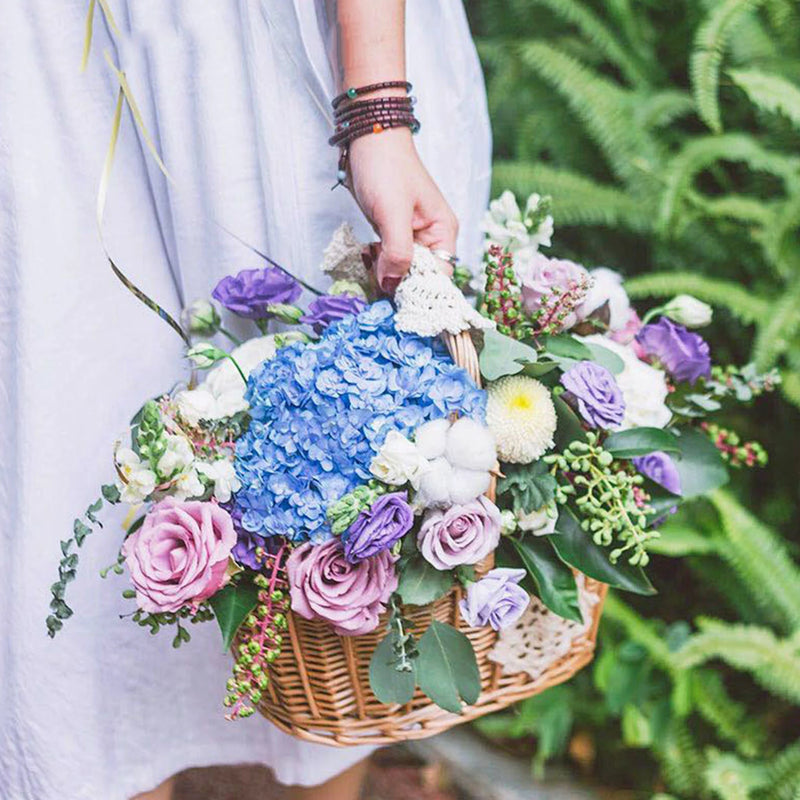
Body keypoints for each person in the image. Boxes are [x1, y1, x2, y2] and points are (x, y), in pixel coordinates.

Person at [0, 2, 490, 799]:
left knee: (337, 517)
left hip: (267, 55)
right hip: (54, 57)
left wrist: (375, 107)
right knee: (66, 454)